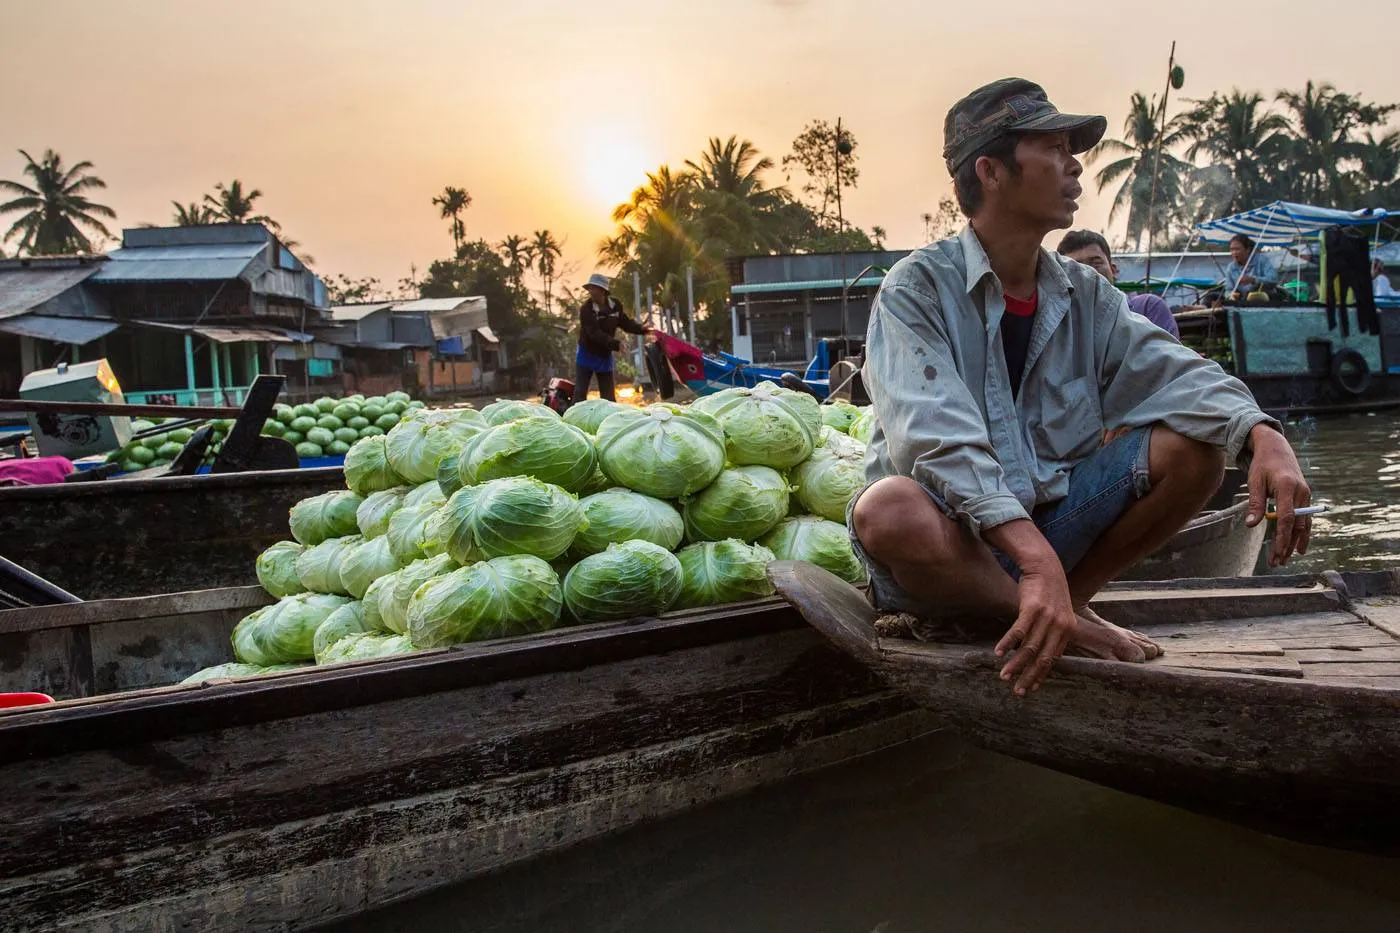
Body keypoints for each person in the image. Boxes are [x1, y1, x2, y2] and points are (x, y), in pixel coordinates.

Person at [850, 77, 1311, 698]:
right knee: (888, 508)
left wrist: (1261, 434)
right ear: (990, 171)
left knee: (1193, 450)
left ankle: (1065, 606)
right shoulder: (917, 288)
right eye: (1055, 149)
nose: (1075, 167)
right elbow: (935, 441)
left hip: (1050, 540)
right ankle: (1045, 610)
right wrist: (1036, 562)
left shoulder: (1083, 292)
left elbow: (1172, 370)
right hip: (950, 555)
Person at [1056, 229, 1179, 339]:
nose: (1088, 272)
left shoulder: (1147, 308)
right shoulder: (1059, 325)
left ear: (1113, 270)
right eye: (1077, 267)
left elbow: (1167, 362)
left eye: (1096, 263)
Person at [574, 273, 652, 404]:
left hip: (604, 355)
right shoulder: (586, 309)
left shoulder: (615, 306)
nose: (591, 291)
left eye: (594, 288)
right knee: (580, 393)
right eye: (590, 288)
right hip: (586, 354)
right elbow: (594, 333)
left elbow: (626, 323)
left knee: (608, 397)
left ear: (603, 290)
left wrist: (643, 329)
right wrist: (616, 344)